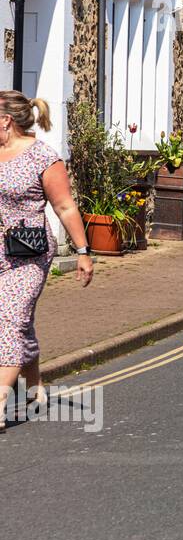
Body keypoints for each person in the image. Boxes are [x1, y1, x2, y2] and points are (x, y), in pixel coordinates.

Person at [0, 92, 94, 432]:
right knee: (19, 319)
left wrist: (83, 252)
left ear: (5, 121)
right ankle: (35, 386)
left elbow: (65, 207)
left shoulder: (43, 157)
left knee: (11, 319)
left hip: (29, 251)